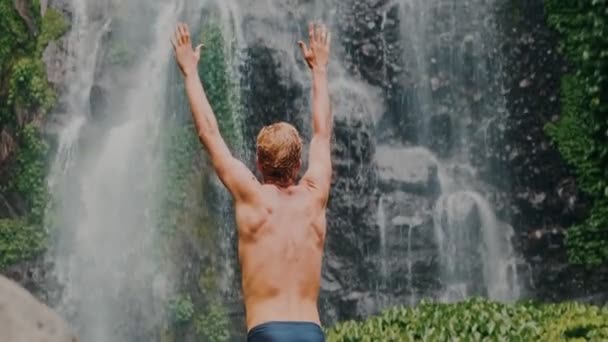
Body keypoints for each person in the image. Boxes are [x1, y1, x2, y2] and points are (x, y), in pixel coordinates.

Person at [171, 21, 333, 342]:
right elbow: (322, 133)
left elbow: (209, 134)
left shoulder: (252, 198)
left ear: (258, 164)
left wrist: (190, 72)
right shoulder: (315, 195)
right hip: (312, 333)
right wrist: (319, 70)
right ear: (299, 164)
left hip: (267, 332)